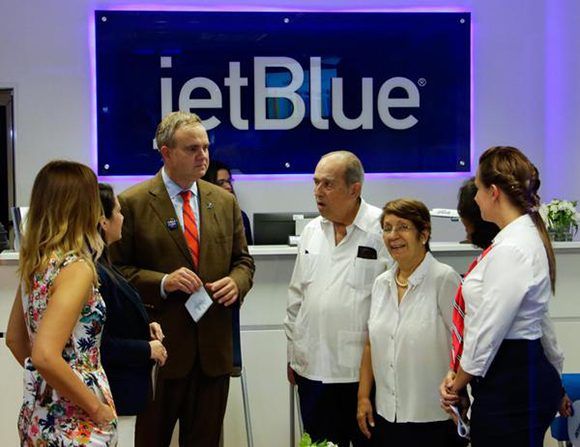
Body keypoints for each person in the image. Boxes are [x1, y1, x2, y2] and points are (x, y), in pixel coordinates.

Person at [110, 111, 255, 447]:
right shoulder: (132, 203)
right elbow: (117, 273)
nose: (202, 155)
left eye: (205, 147)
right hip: (160, 352)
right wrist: (163, 282)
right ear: (166, 152)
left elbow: (243, 261)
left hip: (213, 352)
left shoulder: (224, 202)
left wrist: (237, 282)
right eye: (192, 148)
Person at [440, 146, 565, 446]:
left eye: (480, 190)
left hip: (511, 383)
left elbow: (488, 331)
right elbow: (539, 323)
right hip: (518, 376)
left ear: (494, 192)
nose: (476, 197)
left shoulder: (511, 248)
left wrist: (457, 384)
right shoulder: (520, 238)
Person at [5, 160, 117, 445]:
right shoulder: (76, 268)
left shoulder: (35, 265)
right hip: (76, 419)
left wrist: (48, 385)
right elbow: (44, 354)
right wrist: (95, 407)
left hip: (39, 412)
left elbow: (16, 341)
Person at [284, 151, 390, 446]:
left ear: (354, 189)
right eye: (316, 183)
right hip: (312, 369)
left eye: (327, 184)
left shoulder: (383, 230)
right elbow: (296, 297)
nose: (318, 192)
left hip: (362, 375)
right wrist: (292, 353)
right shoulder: (310, 232)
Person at [357, 199, 466, 447]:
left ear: (424, 234)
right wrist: (364, 397)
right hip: (387, 416)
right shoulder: (381, 283)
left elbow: (464, 346)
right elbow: (370, 344)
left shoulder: (444, 279)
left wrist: (458, 392)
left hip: (433, 418)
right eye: (387, 228)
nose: (393, 236)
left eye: (403, 227)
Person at [97, 183, 168, 445]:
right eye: (117, 211)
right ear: (103, 221)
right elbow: (98, 343)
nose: (123, 217)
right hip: (114, 393)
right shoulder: (93, 272)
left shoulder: (106, 265)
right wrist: (146, 349)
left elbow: (117, 320)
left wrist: (144, 326)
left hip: (125, 392)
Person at [203, 160, 253, 245]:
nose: (228, 186)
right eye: (221, 183)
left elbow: (248, 252)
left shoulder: (240, 216)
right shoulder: (199, 216)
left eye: (229, 181)